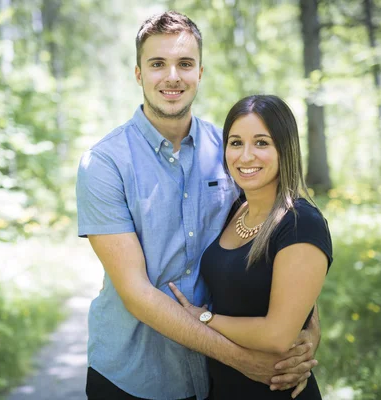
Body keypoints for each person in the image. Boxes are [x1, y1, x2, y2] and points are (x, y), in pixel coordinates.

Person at [77, 11, 320, 400]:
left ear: (200, 72)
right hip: (134, 376)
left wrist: (307, 330)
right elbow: (136, 291)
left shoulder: (229, 151)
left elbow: (283, 236)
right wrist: (242, 359)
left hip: (214, 381)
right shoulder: (104, 164)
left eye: (184, 64)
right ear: (138, 74)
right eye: (157, 64)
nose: (172, 76)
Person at [169, 94, 333, 399]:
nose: (245, 157)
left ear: (285, 149)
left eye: (261, 143)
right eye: (235, 143)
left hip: (275, 390)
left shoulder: (300, 222)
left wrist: (203, 319)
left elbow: (277, 336)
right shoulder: (236, 209)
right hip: (223, 387)